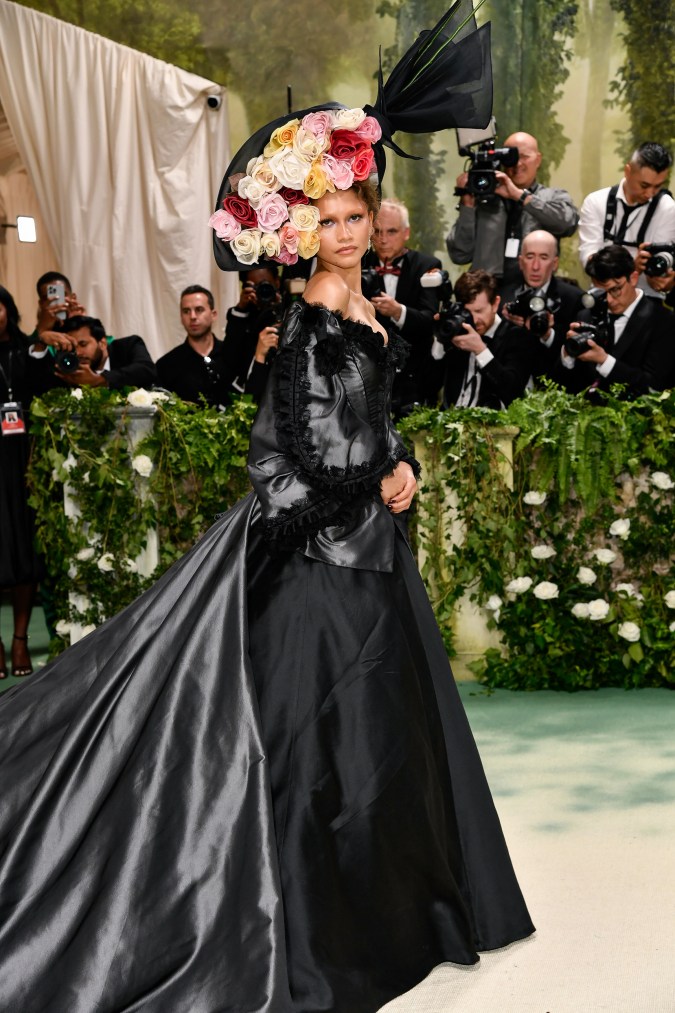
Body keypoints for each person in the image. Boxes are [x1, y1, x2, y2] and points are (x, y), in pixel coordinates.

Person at [0, 8, 534, 1011]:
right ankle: (315, 931)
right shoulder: (311, 318)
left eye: (353, 215)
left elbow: (369, 419)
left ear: (369, 220)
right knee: (315, 747)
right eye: (325, 219)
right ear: (300, 234)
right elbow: (291, 446)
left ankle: (390, 916)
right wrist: (373, 474)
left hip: (368, 546)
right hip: (319, 553)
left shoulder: (367, 307)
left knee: (381, 745)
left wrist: (401, 461)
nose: (342, 230)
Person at [446, 130, 579, 288]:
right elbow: (459, 255)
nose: (517, 164)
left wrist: (520, 196)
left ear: (538, 159)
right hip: (487, 291)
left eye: (524, 156)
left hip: (534, 293)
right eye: (510, 158)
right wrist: (467, 205)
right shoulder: (484, 201)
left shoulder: (552, 197)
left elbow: (567, 223)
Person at [554, 244, 675, 397]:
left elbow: (654, 388)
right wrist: (567, 355)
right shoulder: (586, 316)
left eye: (615, 289)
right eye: (601, 292)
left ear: (633, 278)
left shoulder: (663, 321)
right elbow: (561, 386)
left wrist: (605, 361)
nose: (609, 300)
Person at [362, 198, 442, 411]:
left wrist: (399, 312)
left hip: (413, 375)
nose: (383, 239)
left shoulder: (427, 266)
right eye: (377, 231)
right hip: (366, 378)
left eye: (392, 232)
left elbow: (429, 321)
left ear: (406, 233)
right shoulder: (358, 264)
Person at [0, 286, 43, 679]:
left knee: (24, 548)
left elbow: (45, 382)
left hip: (24, 459)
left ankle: (19, 641)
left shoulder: (27, 348)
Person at [577, 142, 675, 300]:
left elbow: (661, 263)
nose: (650, 193)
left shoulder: (667, 208)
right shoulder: (596, 202)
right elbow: (589, 261)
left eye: (657, 186)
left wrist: (662, 277)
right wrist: (630, 268)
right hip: (601, 298)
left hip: (646, 301)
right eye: (644, 185)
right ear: (628, 171)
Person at [441, 269, 533, 408]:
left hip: (492, 426)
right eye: (467, 312)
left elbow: (512, 391)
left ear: (495, 304)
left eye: (479, 311)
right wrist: (439, 338)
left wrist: (481, 350)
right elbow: (427, 386)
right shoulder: (456, 332)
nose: (475, 319)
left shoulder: (516, 336)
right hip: (448, 422)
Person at [500, 229, 585, 379]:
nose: (535, 266)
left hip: (553, 386)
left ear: (555, 263)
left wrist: (547, 335)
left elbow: (578, 363)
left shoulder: (573, 299)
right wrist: (502, 323)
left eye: (544, 257)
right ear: (520, 262)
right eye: (530, 256)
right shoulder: (503, 296)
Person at [30, 314, 157, 391]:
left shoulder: (127, 346)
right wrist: (40, 342)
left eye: (83, 344)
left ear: (102, 343)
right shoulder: (68, 367)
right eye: (73, 347)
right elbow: (35, 385)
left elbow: (146, 370)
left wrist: (99, 380)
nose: (78, 353)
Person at [156, 285, 228, 407]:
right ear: (181, 317)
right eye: (186, 311)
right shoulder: (166, 365)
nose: (193, 316)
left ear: (213, 314)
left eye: (199, 309)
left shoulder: (230, 355)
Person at [221, 266, 284, 402]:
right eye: (255, 287)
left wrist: (280, 307)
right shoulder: (242, 318)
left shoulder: (290, 311)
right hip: (249, 392)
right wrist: (241, 309)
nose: (263, 291)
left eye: (266, 285)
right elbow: (229, 358)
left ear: (277, 282)